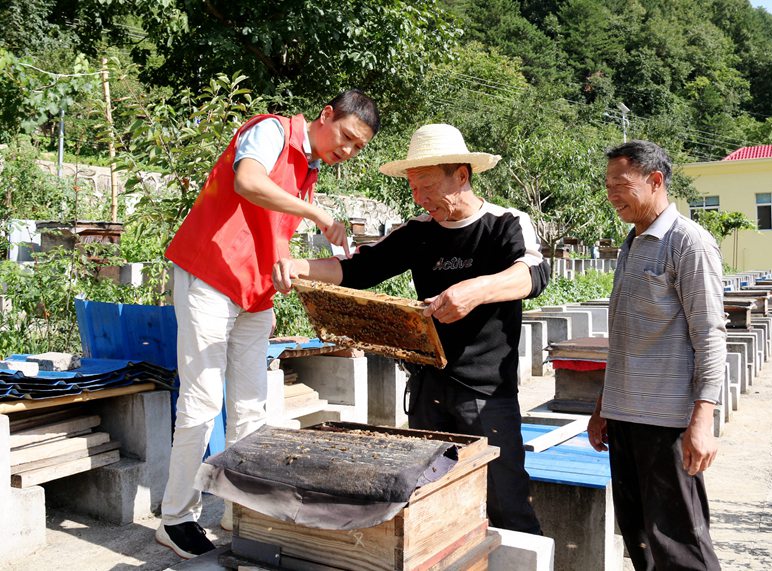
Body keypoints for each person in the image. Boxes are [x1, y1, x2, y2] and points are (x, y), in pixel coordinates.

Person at [273, 123, 550, 535]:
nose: (420, 198)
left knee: (505, 501)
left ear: (462, 175)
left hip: (486, 396)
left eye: (428, 187)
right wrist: (301, 267)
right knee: (431, 504)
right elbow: (358, 269)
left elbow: (534, 273)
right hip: (426, 389)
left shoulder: (505, 224)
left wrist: (476, 290)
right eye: (414, 189)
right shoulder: (418, 232)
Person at [156, 90, 380, 559]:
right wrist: (317, 213)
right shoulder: (272, 131)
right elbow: (247, 181)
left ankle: (241, 511)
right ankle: (176, 517)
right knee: (200, 402)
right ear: (325, 116)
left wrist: (287, 267)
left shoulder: (311, 168)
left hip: (254, 292)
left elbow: (273, 228)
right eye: (346, 137)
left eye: (358, 148)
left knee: (251, 409)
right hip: (211, 276)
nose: (348, 151)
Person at [587, 140, 725, 570]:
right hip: (625, 418)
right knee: (641, 538)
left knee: (681, 545)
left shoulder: (688, 243)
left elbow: (710, 334)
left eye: (620, 183)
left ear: (656, 180)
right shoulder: (632, 243)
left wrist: (702, 421)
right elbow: (625, 337)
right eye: (607, 184)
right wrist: (602, 406)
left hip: (666, 422)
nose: (611, 194)